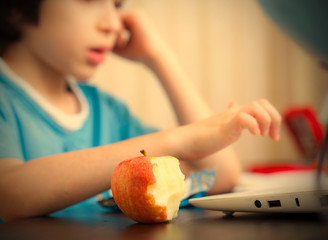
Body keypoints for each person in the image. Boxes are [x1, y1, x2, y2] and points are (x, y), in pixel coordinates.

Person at [0, 0, 281, 222]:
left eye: (118, 4)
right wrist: (180, 139)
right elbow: (8, 194)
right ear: (15, 7)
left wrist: (158, 56)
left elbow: (221, 174)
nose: (113, 23)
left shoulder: (107, 112)